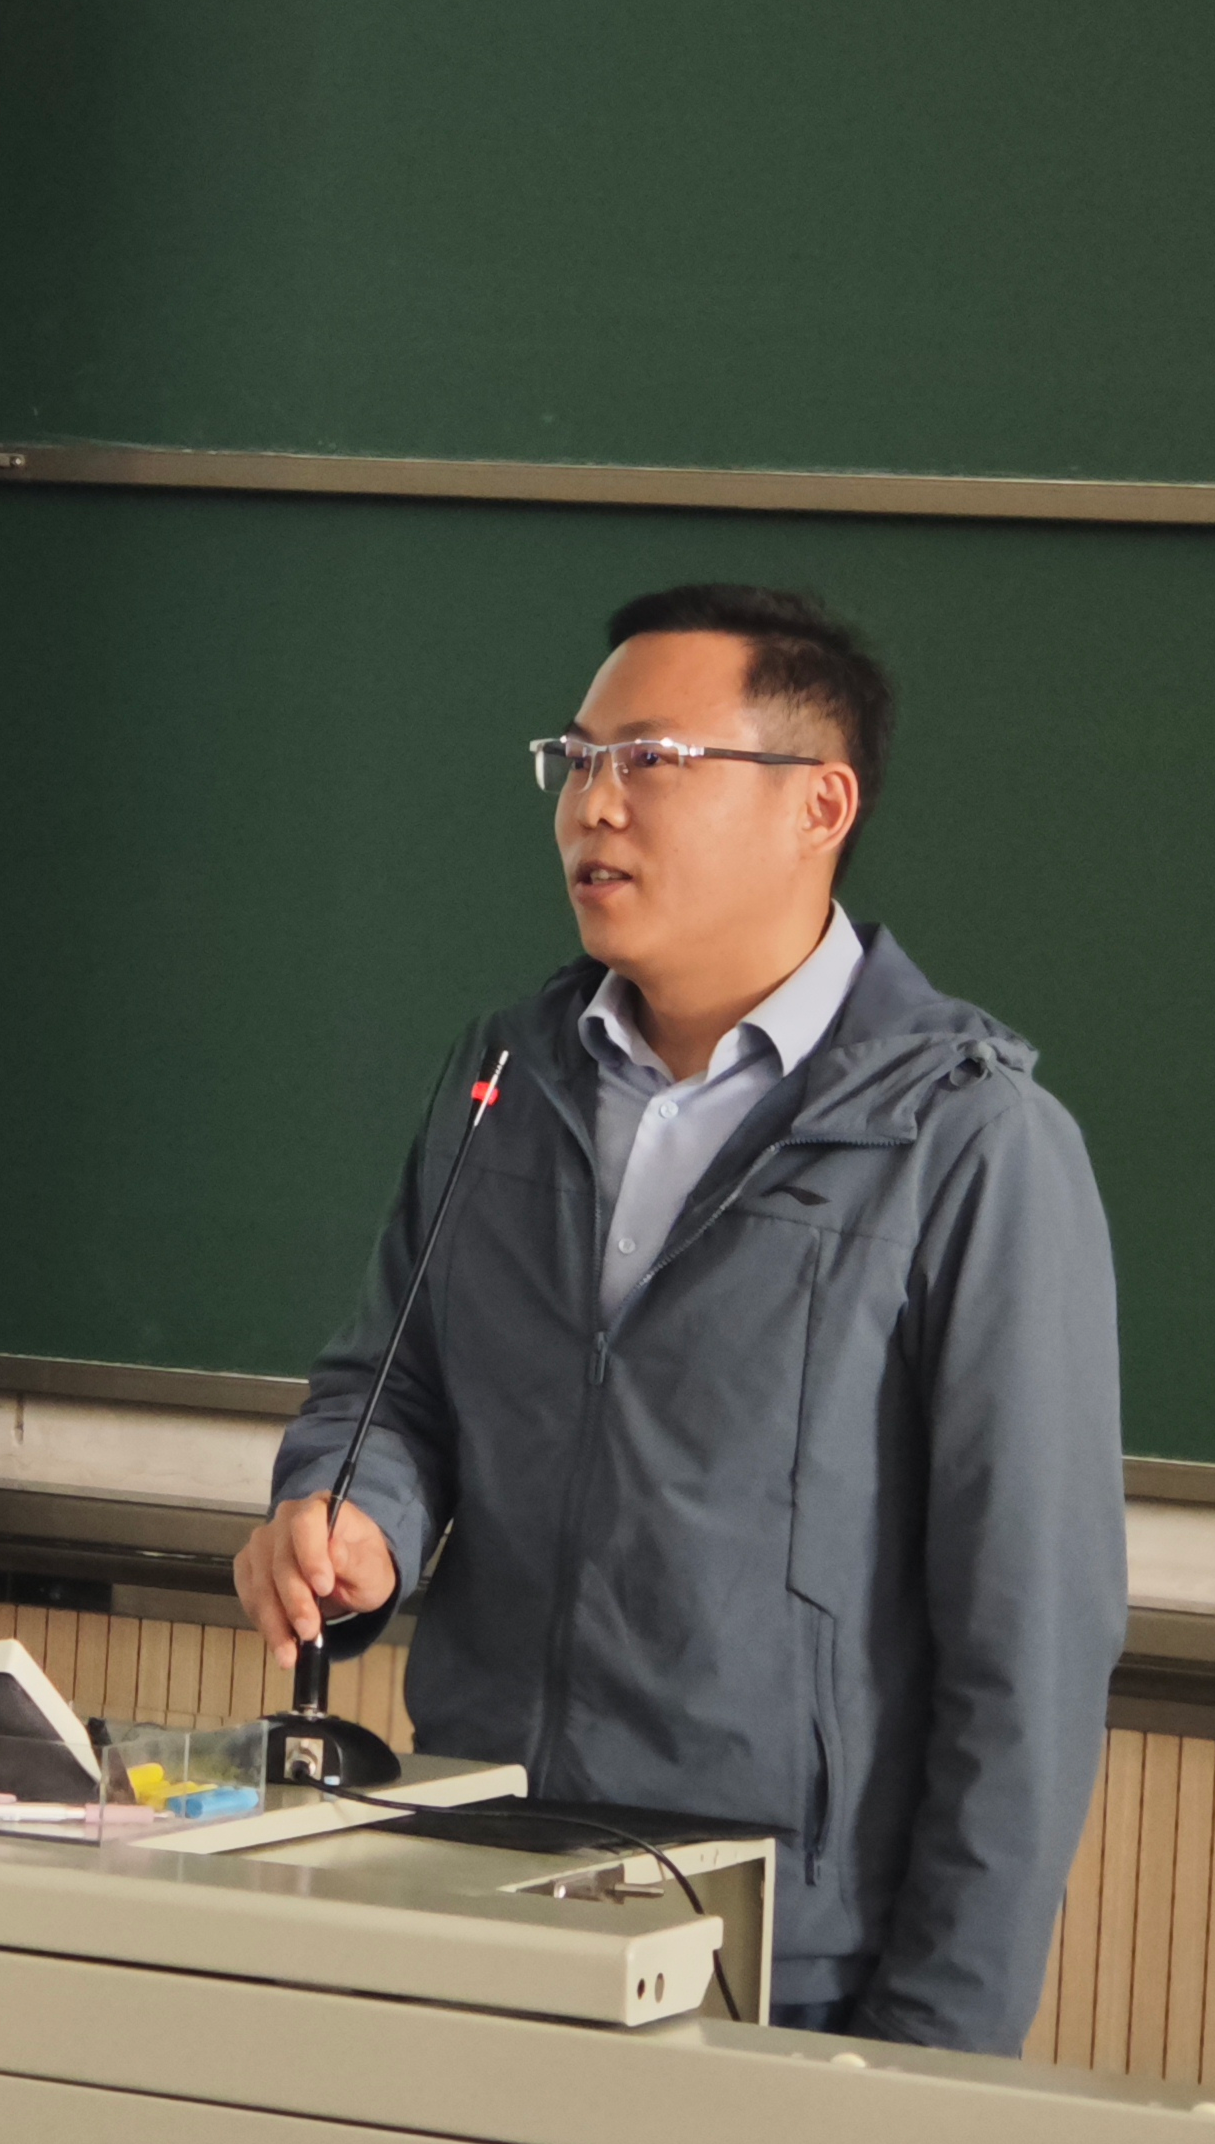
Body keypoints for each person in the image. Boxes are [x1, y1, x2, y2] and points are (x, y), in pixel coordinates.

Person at [234, 586, 1124, 2054]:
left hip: (776, 1953)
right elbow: (390, 1387)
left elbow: (1027, 1644)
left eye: (649, 760)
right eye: (576, 759)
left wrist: (931, 2057)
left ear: (818, 803)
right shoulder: (506, 1079)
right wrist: (353, 1514)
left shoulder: (970, 1143)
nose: (593, 805)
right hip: (474, 1878)